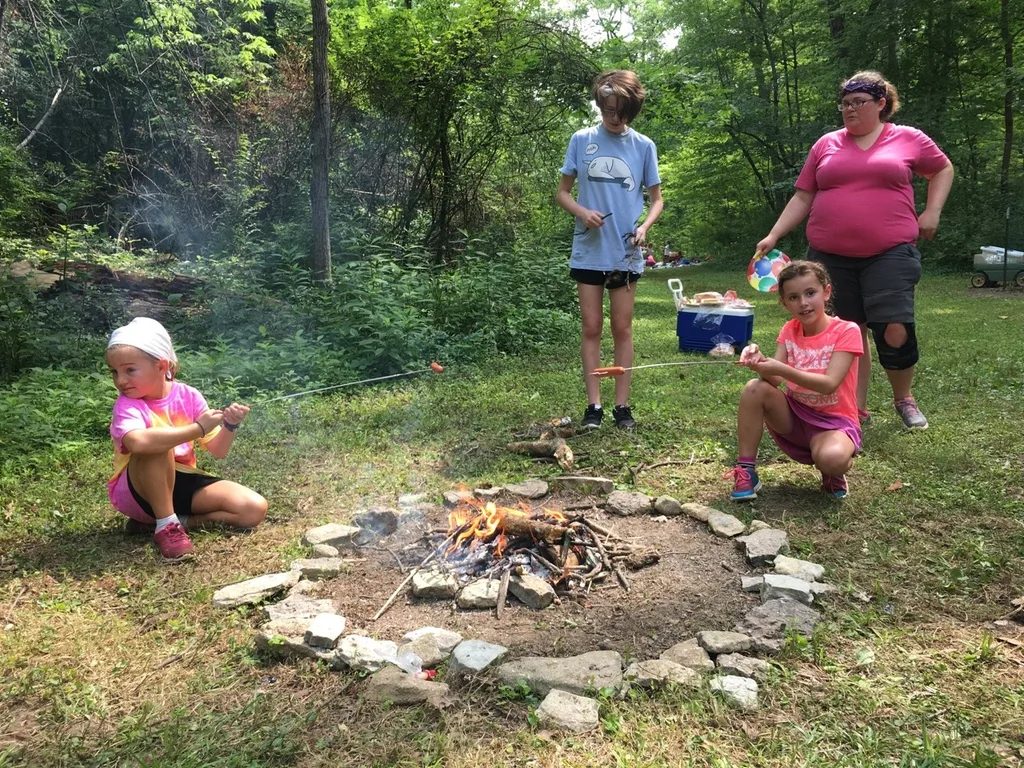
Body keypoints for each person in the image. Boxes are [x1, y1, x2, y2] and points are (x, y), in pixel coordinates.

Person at [756, 70, 953, 431]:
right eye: (845, 103)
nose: (849, 109)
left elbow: (942, 169)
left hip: (890, 250)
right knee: (846, 330)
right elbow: (804, 195)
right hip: (830, 256)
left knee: (894, 326)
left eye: (858, 102)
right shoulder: (826, 144)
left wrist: (932, 211)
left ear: (881, 104)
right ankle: (854, 408)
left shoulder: (907, 138)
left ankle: (903, 399)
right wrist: (773, 235)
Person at [105, 317, 267, 562]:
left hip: (180, 481)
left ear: (161, 366)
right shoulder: (128, 405)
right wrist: (198, 428)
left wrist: (229, 425)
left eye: (130, 370)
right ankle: (167, 528)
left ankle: (169, 522)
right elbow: (138, 443)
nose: (121, 380)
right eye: (115, 372)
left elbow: (218, 450)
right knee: (157, 445)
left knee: (252, 509)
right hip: (139, 491)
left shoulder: (187, 395)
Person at [557, 70, 663, 430]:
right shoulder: (581, 139)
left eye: (620, 111)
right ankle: (594, 407)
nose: (613, 118)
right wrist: (581, 212)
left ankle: (621, 406)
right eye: (607, 110)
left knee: (622, 328)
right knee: (591, 327)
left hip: (625, 252)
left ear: (632, 110)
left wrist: (645, 227)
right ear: (600, 105)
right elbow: (562, 192)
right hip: (589, 250)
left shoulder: (643, 146)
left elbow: (657, 200)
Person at [725, 260, 863, 501]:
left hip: (834, 422)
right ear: (784, 302)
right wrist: (759, 361)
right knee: (754, 388)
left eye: (811, 293)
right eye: (793, 297)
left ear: (826, 292)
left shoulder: (847, 331)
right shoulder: (789, 330)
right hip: (795, 417)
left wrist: (782, 369)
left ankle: (833, 473)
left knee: (831, 459)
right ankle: (746, 471)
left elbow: (830, 383)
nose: (804, 303)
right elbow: (775, 379)